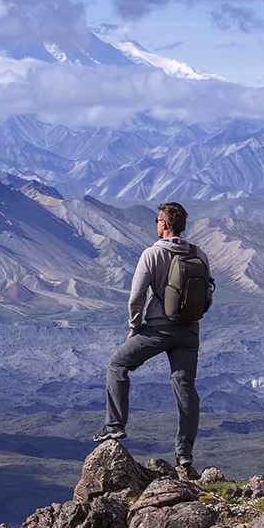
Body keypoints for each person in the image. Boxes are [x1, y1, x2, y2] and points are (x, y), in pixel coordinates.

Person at [96, 200, 211, 481]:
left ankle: (115, 426)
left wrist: (135, 327)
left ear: (164, 224)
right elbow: (206, 294)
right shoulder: (200, 254)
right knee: (185, 388)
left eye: (158, 220)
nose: (156, 224)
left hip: (157, 330)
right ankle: (184, 456)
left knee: (117, 365)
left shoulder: (152, 254)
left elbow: (137, 297)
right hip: (189, 331)